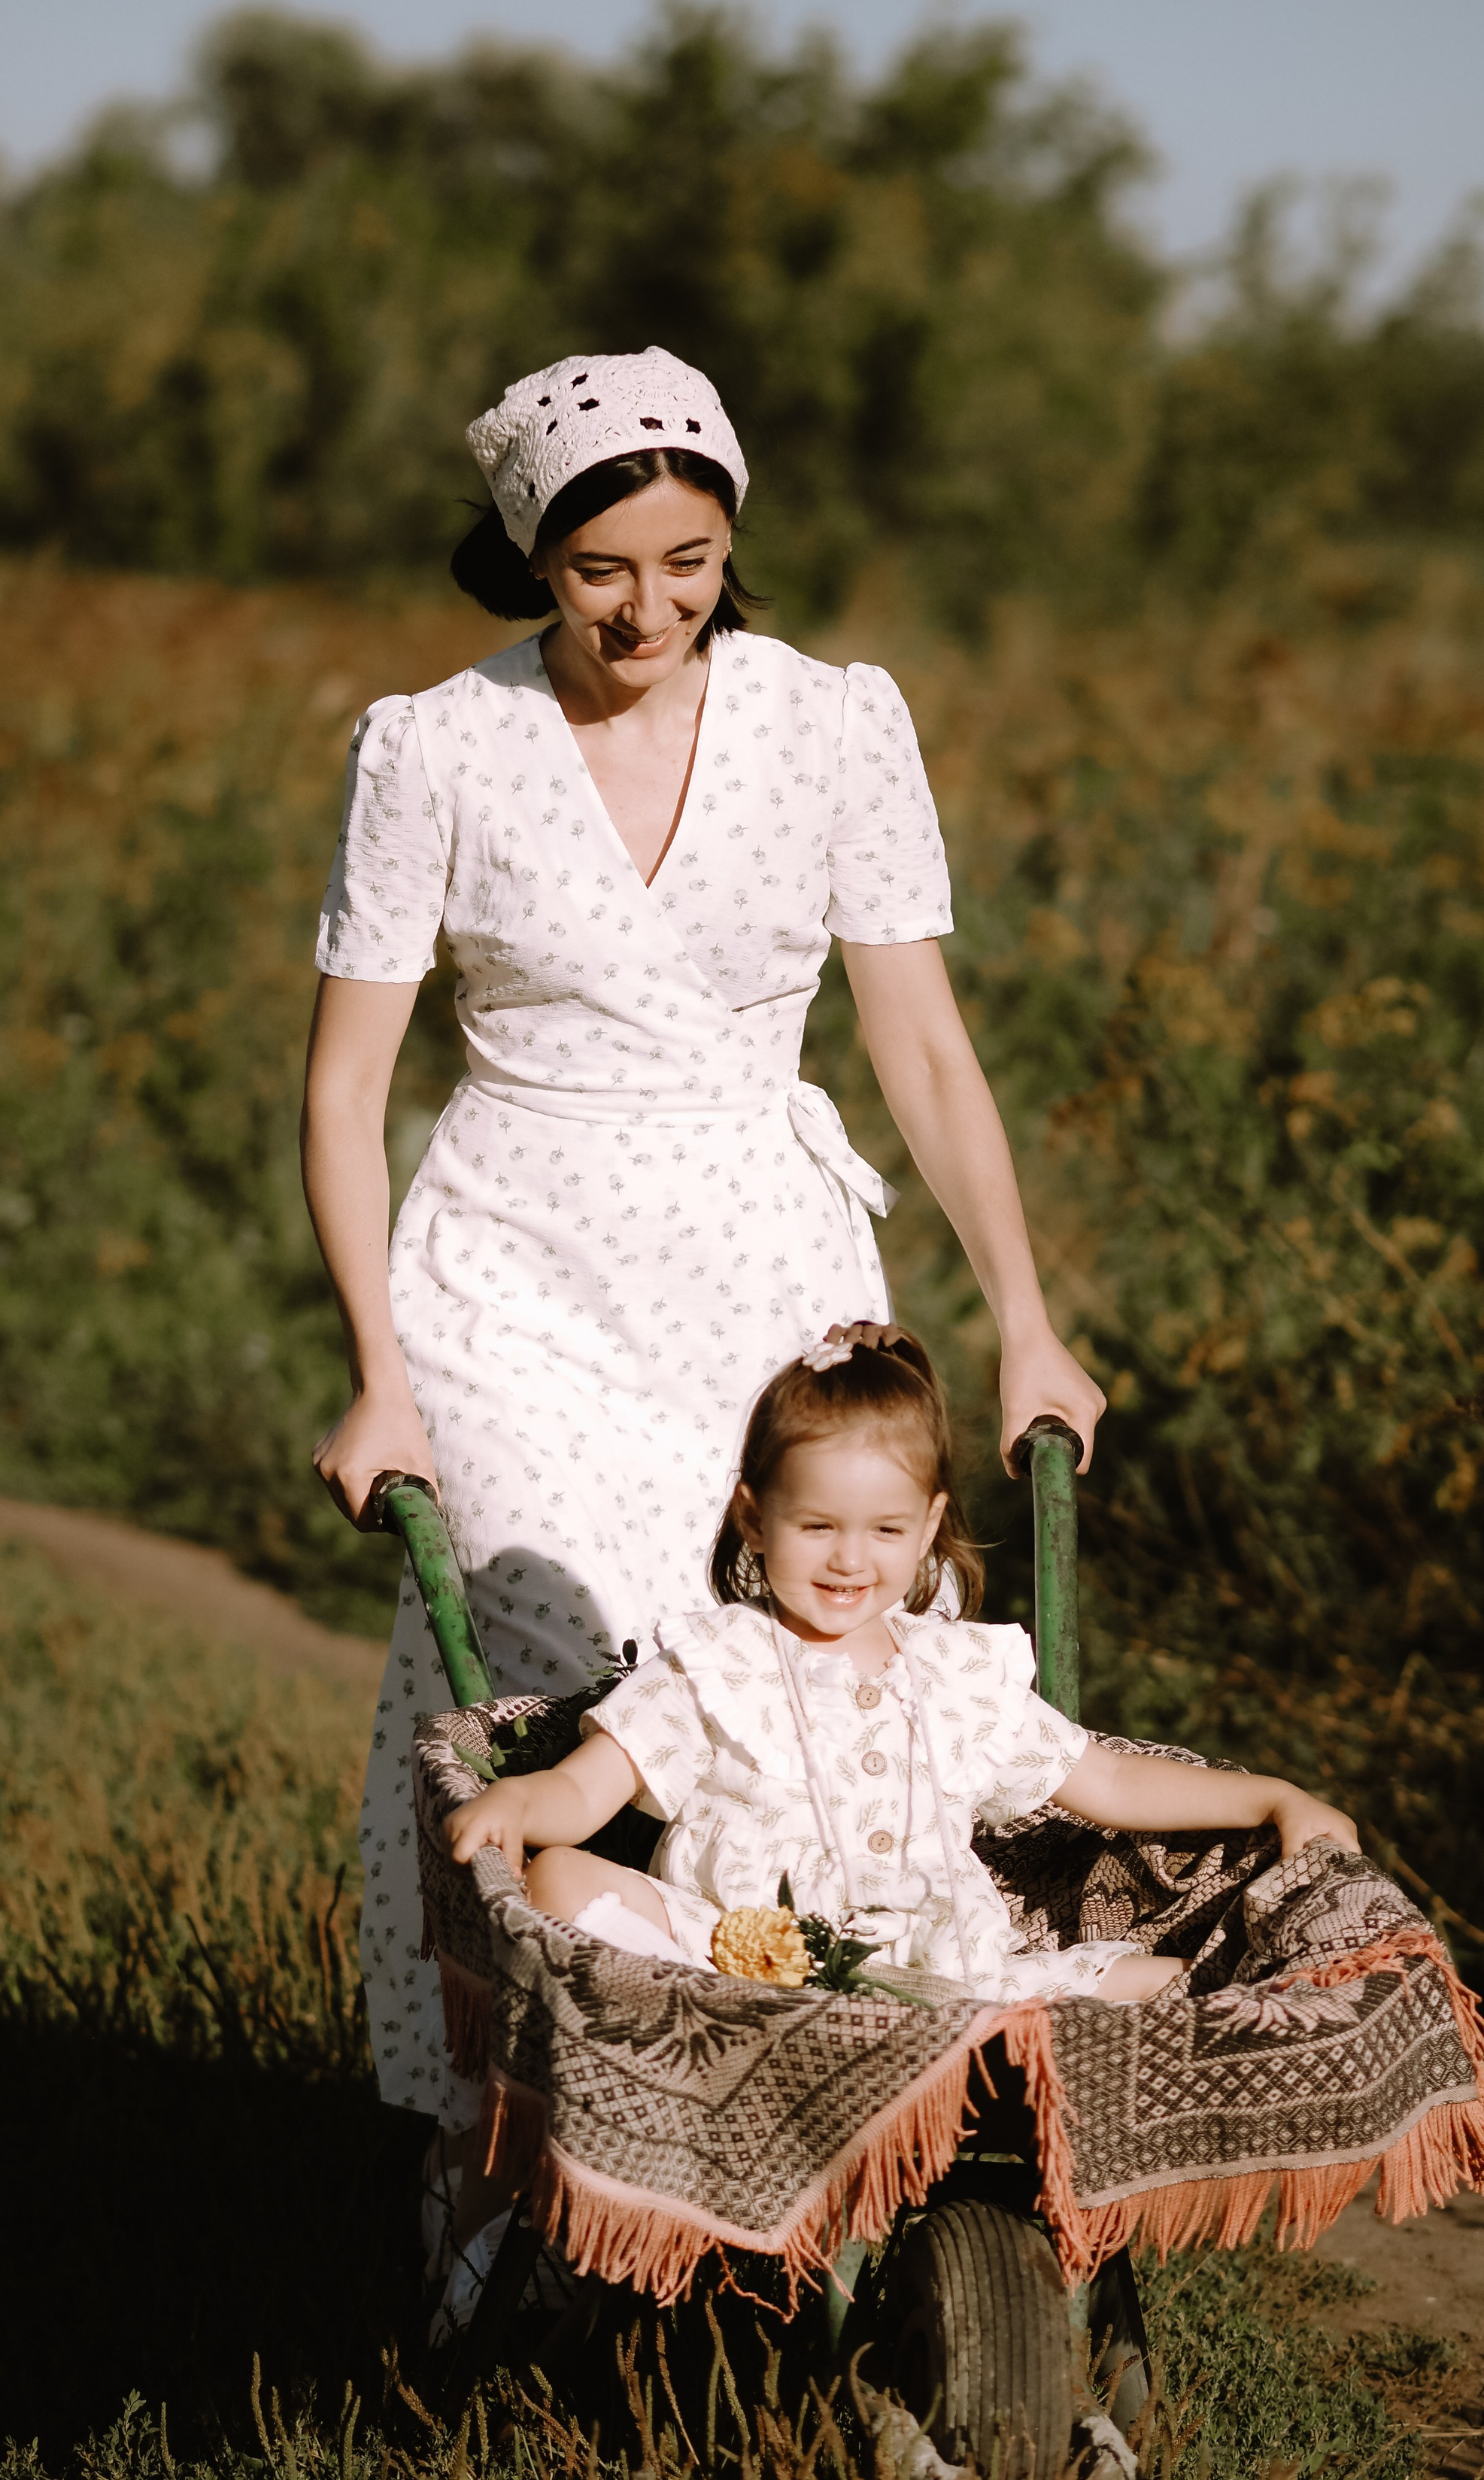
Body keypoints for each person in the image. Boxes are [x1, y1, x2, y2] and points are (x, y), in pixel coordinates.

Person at [300, 344, 1103, 2158]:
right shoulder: (436, 746)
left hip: (762, 1252)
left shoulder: (830, 722)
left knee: (821, 1662)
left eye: (688, 558)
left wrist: (1028, 1319)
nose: (647, 603)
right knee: (555, 1676)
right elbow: (347, 1092)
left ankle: (831, 2083)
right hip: (515, 1267)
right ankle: (522, 2134)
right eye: (600, 570)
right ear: (531, 555)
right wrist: (377, 1372)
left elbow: (916, 1046)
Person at [448, 1328, 1360, 2003]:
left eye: (885, 1530)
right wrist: (520, 1802)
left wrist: (1272, 1795)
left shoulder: (955, 1675)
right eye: (816, 1527)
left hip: (948, 1987)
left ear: (927, 1525)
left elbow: (1110, 1778)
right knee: (562, 1877)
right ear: (753, 1519)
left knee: (1182, 1984)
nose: (850, 1559)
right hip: (737, 1970)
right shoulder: (717, 1664)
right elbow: (584, 1785)